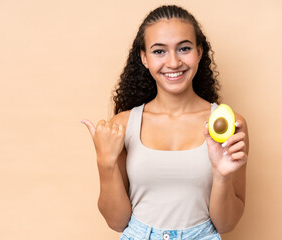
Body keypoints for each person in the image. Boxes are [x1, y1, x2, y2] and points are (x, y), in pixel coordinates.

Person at [81, 5, 249, 240]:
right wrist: (105, 164)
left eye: (184, 48)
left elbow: (227, 224)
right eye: (159, 51)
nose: (173, 62)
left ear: (199, 52)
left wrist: (222, 176)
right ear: (144, 58)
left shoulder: (227, 124)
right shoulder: (122, 125)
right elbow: (116, 221)